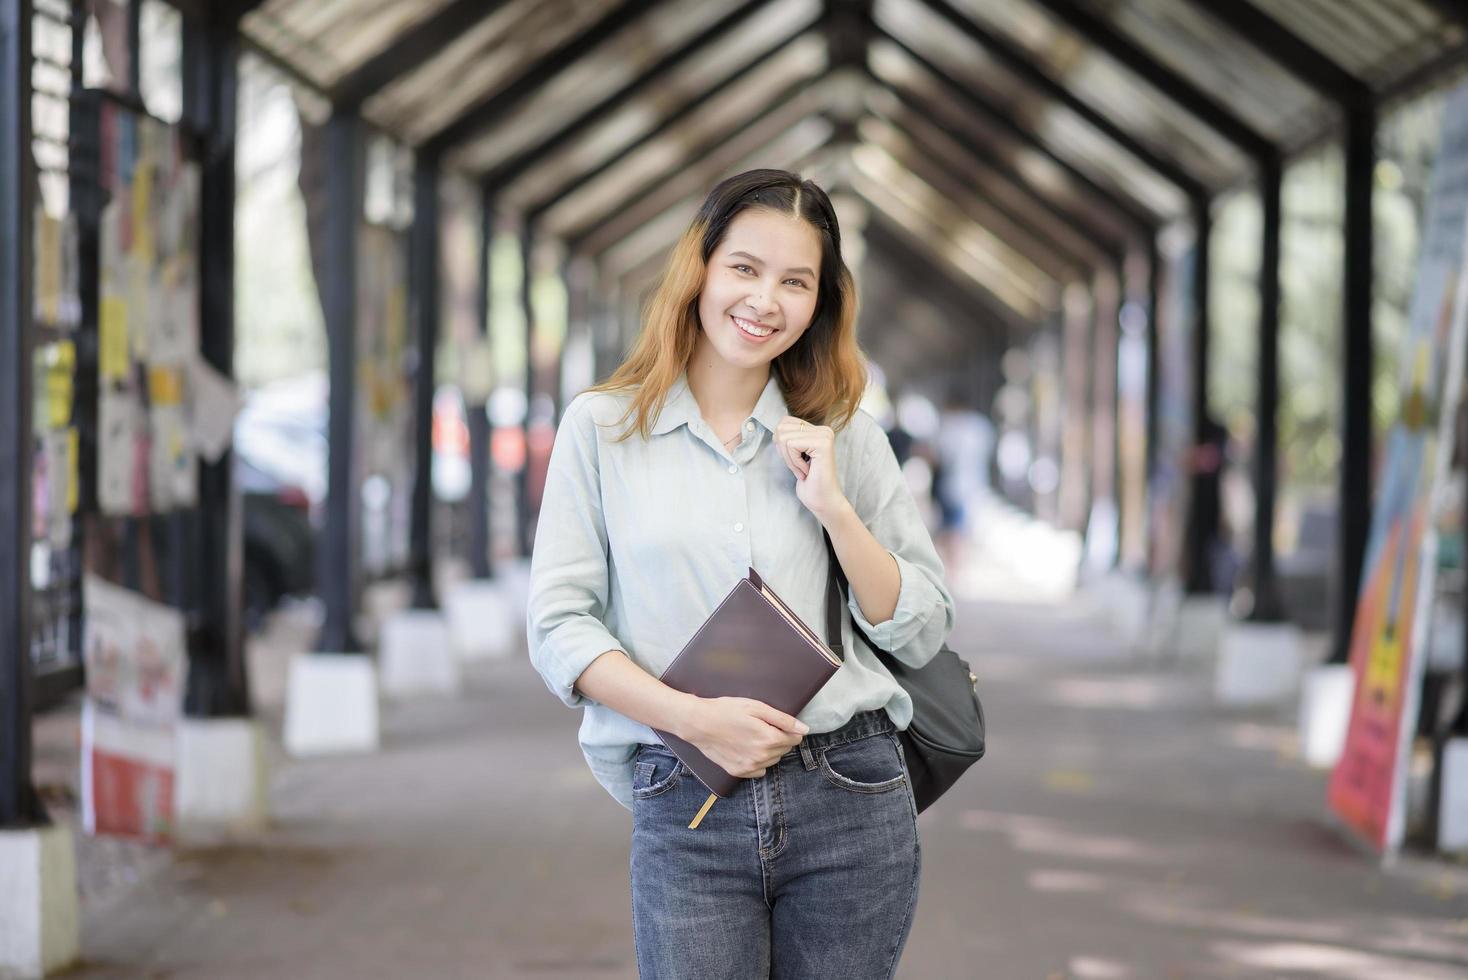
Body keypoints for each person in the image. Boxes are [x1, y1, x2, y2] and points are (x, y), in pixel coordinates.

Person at [526, 169, 956, 979]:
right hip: (686, 792)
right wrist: (692, 717)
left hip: (849, 790)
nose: (765, 301)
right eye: (745, 269)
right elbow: (559, 625)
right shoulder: (603, 429)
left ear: (819, 303)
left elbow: (923, 621)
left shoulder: (845, 437)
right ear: (701, 269)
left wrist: (833, 508)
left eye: (796, 282)